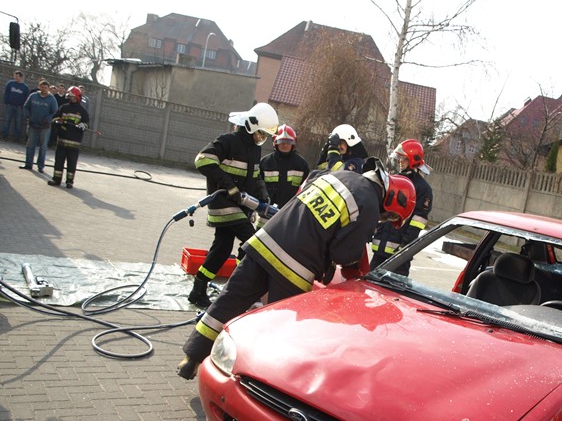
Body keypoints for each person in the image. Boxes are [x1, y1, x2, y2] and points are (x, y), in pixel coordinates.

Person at [176, 158, 417, 379]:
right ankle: (258, 379)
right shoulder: (369, 204)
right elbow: (343, 254)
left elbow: (308, 184)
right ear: (392, 199)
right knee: (280, 330)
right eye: (389, 217)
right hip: (294, 268)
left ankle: (192, 357)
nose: (383, 220)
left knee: (229, 301)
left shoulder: (340, 175)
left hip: (263, 244)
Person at [187, 102, 279, 308]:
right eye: (260, 133)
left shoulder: (254, 150)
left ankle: (198, 288)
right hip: (223, 204)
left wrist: (263, 196)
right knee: (252, 241)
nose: (261, 138)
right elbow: (202, 160)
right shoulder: (228, 141)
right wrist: (229, 186)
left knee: (222, 248)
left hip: (240, 205)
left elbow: (255, 176)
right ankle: (237, 287)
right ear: (251, 126)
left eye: (264, 135)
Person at [369, 139, 434, 275]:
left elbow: (418, 222)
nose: (400, 161)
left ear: (413, 160)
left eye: (404, 159)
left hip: (398, 258)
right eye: (399, 158)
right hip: (379, 250)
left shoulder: (423, 189)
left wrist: (404, 249)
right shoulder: (393, 180)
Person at [257, 124, 310, 228]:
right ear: (275, 142)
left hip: (291, 216)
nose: (285, 145)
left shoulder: (302, 165)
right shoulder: (265, 163)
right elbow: (257, 186)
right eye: (281, 141)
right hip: (266, 215)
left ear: (294, 143)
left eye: (289, 142)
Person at [47, 86, 90, 189]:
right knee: (59, 161)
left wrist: (83, 125)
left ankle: (69, 181)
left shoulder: (82, 111)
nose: (72, 98)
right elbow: (55, 118)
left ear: (77, 97)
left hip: (74, 143)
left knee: (72, 163)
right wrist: (57, 121)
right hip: (62, 140)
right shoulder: (64, 107)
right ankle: (56, 179)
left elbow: (87, 123)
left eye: (73, 97)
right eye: (70, 96)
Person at [20, 79, 58, 172]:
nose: (43, 89)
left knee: (43, 147)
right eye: (42, 87)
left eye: (45, 87)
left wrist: (47, 119)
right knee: (30, 145)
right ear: (39, 87)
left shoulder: (52, 99)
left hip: (45, 126)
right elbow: (26, 106)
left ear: (48, 88)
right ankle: (28, 164)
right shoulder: (33, 96)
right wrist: (28, 117)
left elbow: (54, 111)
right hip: (32, 124)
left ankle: (40, 166)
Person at [2, 71, 30, 142]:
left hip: (19, 107)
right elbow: (6, 93)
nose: (15, 78)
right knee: (7, 120)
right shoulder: (10, 84)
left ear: (21, 77)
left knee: (18, 122)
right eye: (15, 76)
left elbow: (27, 97)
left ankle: (16, 137)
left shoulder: (25, 87)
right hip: (10, 105)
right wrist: (6, 102)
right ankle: (4, 135)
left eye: (17, 76)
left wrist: (23, 105)